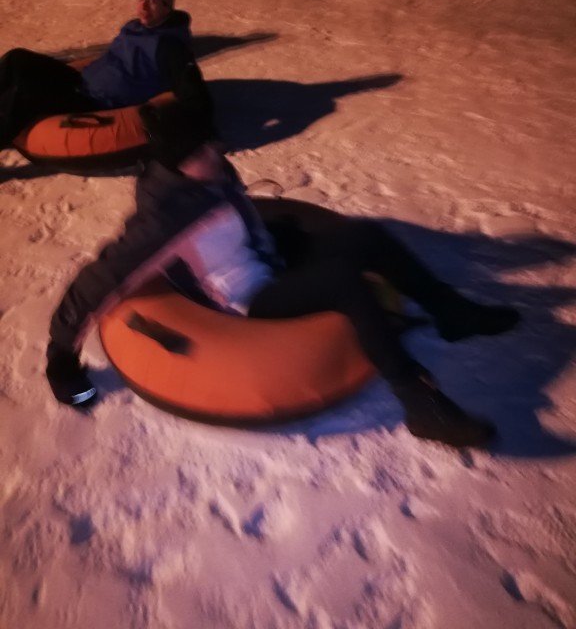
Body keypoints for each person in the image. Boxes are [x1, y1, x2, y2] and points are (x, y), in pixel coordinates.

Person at [45, 104, 520, 449]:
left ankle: (451, 312)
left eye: (212, 143)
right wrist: (61, 355)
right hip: (250, 297)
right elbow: (100, 278)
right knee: (344, 282)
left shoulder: (208, 175)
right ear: (175, 162)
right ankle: (420, 403)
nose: (216, 152)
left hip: (269, 260)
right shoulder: (162, 222)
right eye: (201, 150)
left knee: (366, 237)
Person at [0, 0, 214, 150]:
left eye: (153, 1)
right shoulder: (134, 27)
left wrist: (207, 137)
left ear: (167, 6)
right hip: (81, 81)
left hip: (95, 102)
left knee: (24, 94)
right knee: (17, 58)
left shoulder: (169, 47)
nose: (143, 7)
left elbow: (194, 93)